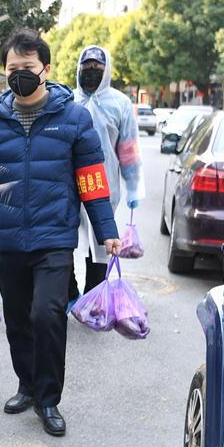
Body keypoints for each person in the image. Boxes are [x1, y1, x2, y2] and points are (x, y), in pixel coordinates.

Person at [0, 29, 121, 437]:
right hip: (10, 239)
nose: (19, 76)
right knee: (17, 320)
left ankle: (48, 399)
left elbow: (92, 181)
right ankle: (27, 385)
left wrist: (107, 231)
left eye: (27, 68)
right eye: (12, 69)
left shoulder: (74, 119)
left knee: (47, 314)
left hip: (54, 238)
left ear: (45, 69)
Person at [68, 45, 145, 305]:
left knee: (100, 243)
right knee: (64, 240)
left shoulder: (120, 104)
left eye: (97, 69)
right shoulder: (67, 101)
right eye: (86, 68)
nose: (91, 73)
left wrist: (133, 187)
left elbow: (128, 150)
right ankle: (68, 292)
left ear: (106, 71)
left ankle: (93, 295)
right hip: (67, 187)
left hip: (104, 187)